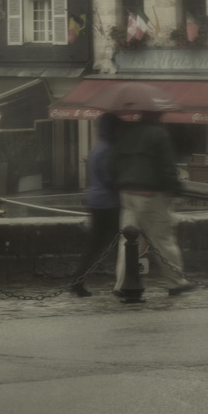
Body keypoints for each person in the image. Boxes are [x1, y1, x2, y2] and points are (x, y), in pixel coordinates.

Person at [112, 109, 196, 296]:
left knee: (127, 240)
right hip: (150, 194)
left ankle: (121, 284)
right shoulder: (159, 134)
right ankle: (176, 282)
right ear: (157, 116)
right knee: (163, 240)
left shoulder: (126, 132)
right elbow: (167, 167)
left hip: (127, 193)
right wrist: (175, 189)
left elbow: (114, 163)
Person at [70, 113, 121, 297]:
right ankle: (124, 281)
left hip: (96, 200)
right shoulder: (107, 149)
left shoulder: (97, 147)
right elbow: (108, 177)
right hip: (107, 203)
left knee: (95, 246)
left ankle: (78, 281)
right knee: (121, 244)